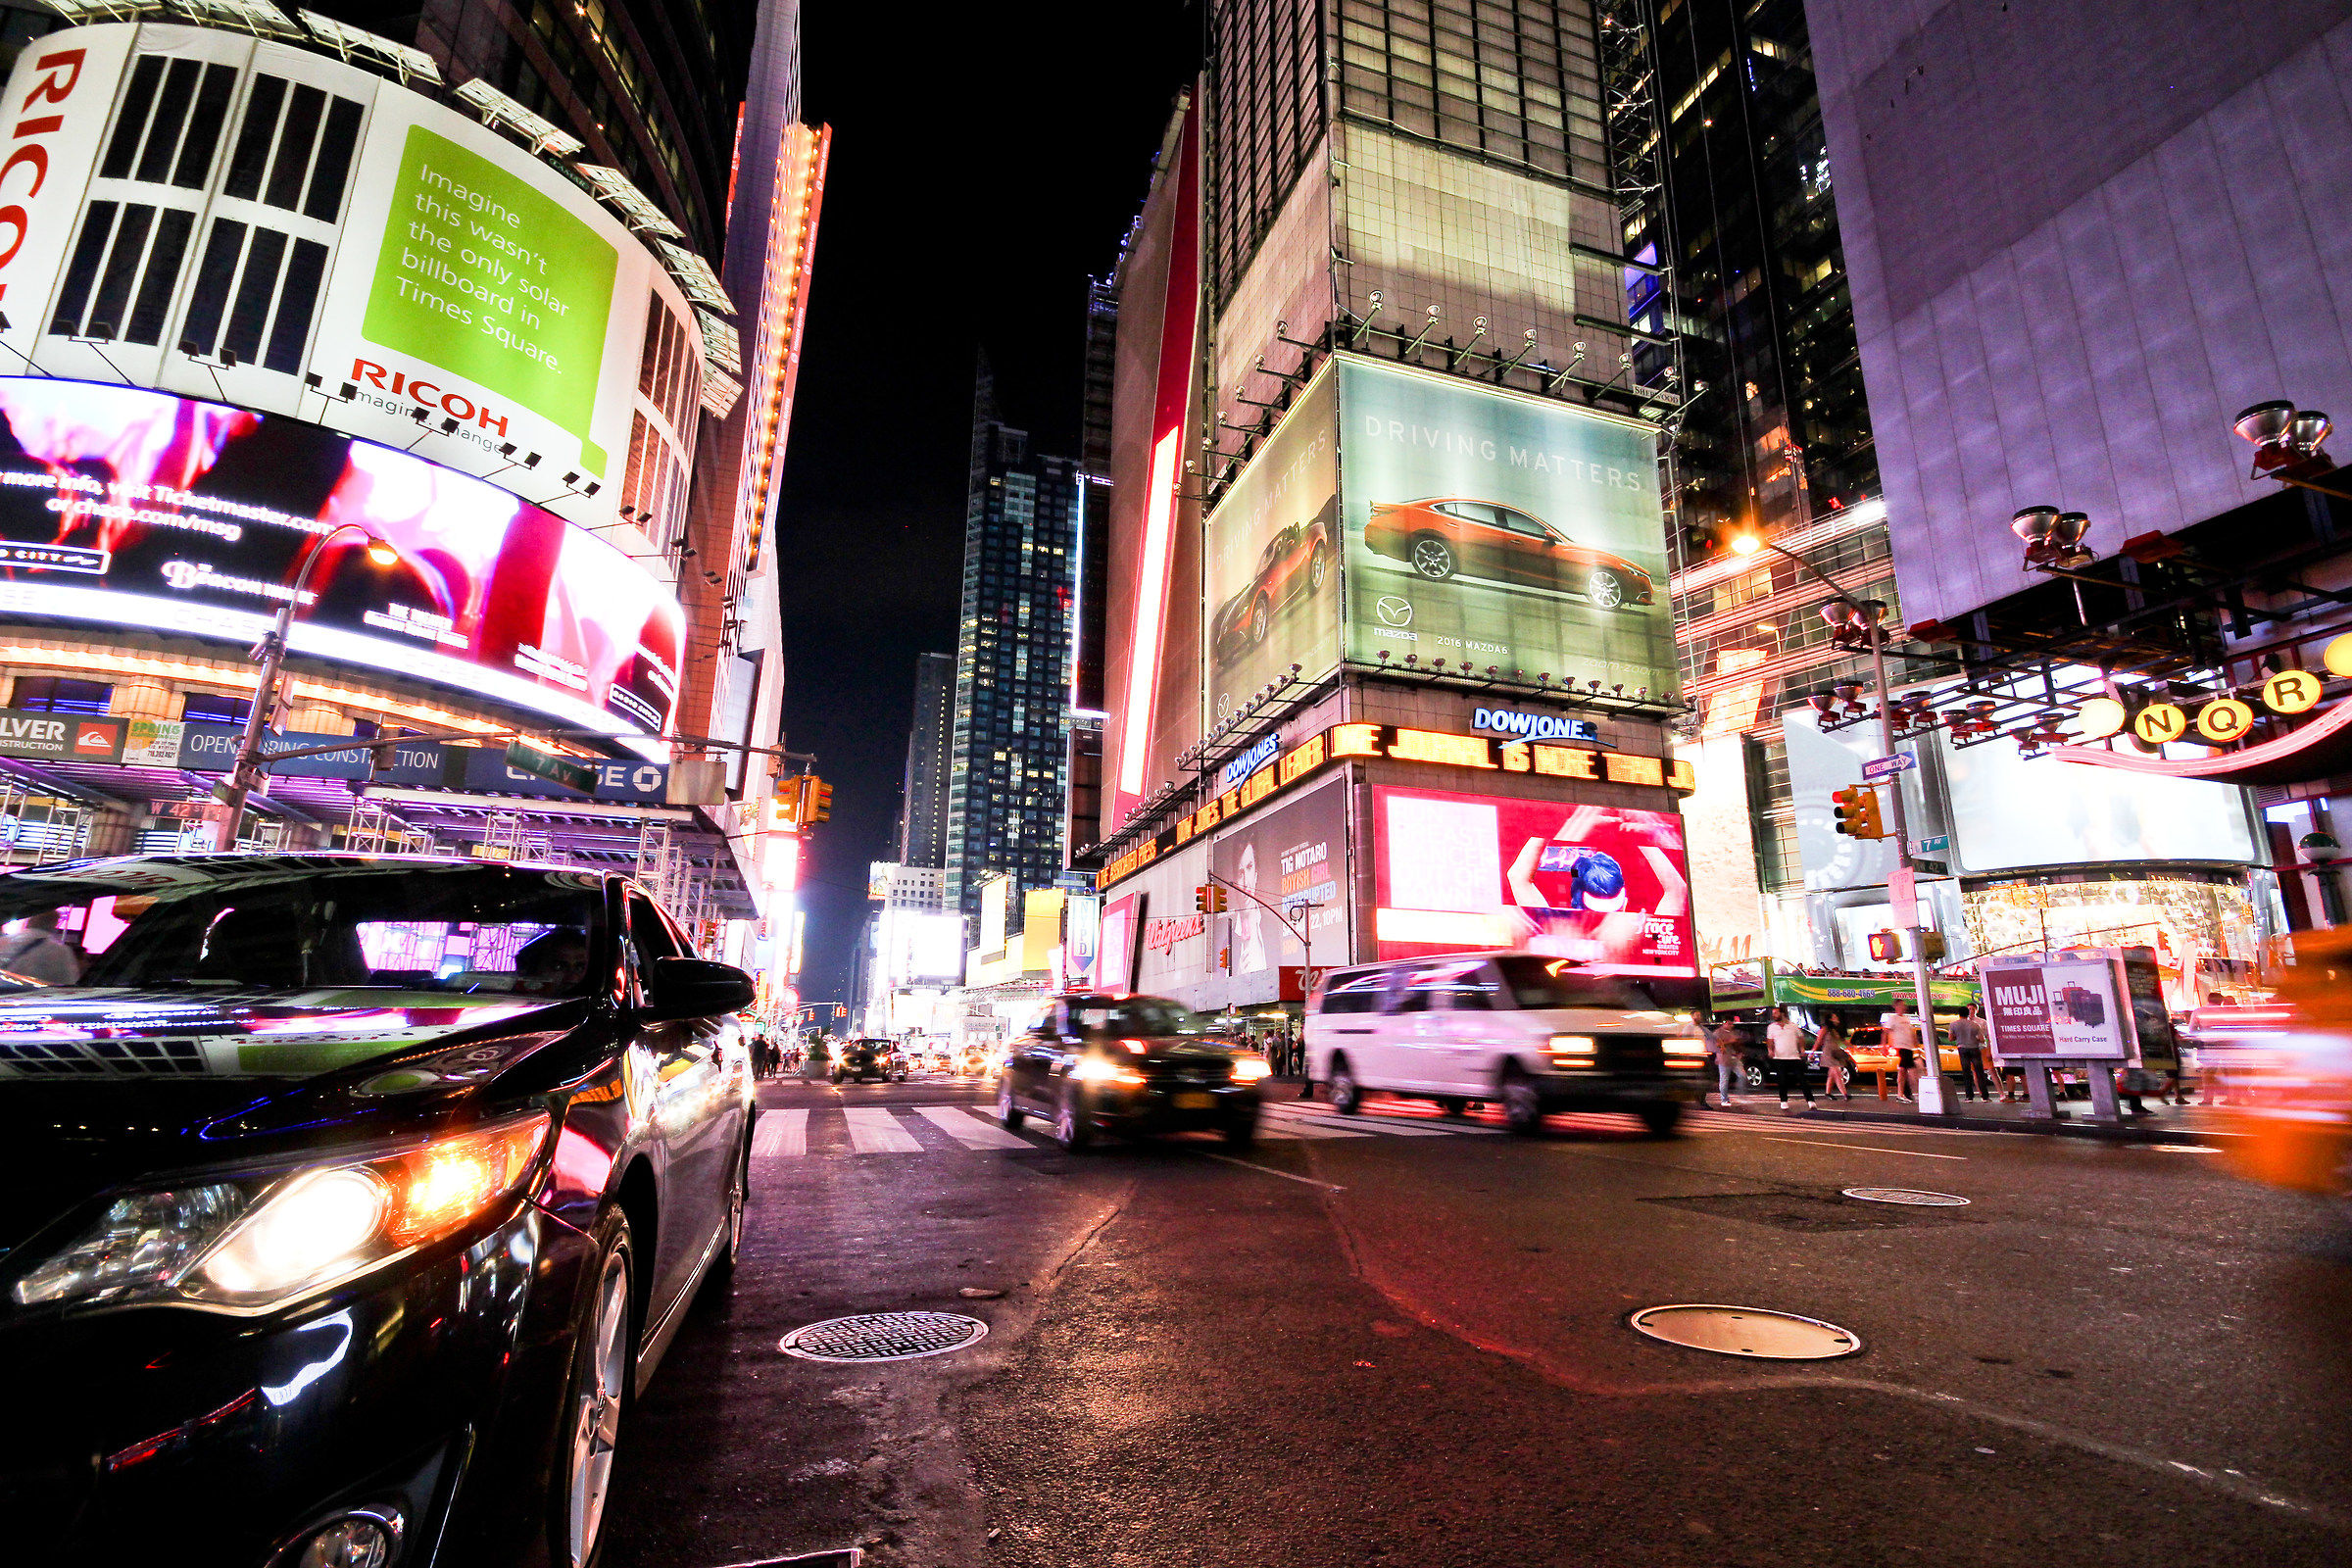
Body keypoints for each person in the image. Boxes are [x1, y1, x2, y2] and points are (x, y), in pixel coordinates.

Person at [0, 908, 80, 985]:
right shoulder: (60, 951)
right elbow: (67, 982)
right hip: (34, 993)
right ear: (54, 924)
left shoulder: (3, 941)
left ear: (30, 920)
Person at [1766, 1006, 1814, 1109]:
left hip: (1794, 1057)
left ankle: (1810, 1100)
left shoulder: (1793, 1026)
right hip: (1779, 1058)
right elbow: (1769, 1040)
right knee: (1782, 1080)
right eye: (1773, 1013)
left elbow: (1801, 1037)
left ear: (1782, 1013)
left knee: (1802, 1079)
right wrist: (1770, 1050)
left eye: (1776, 1013)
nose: (1774, 1015)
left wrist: (1802, 1048)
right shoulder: (1771, 1027)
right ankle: (1783, 1101)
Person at [1952, 1003, 1993, 1102]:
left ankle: (1969, 1096)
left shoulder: (1954, 1024)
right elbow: (1982, 1039)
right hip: (1975, 1049)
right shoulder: (1975, 1025)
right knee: (1979, 1073)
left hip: (1962, 1049)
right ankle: (1985, 1096)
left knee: (1966, 1073)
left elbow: (1950, 1038)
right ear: (1967, 1013)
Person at [1886, 998, 1921, 1102]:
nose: (1903, 1007)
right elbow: (1885, 1032)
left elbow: (1912, 1033)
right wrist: (1884, 1046)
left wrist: (1916, 1045)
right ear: (1896, 1007)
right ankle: (1904, 1093)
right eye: (1901, 1005)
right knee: (1909, 1070)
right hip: (1901, 1047)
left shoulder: (1906, 1019)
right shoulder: (1893, 1018)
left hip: (1908, 1047)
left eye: (1904, 1005)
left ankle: (1903, 1094)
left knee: (1904, 1070)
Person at [1707, 1014, 1745, 1107]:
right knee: (1724, 1079)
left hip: (1734, 1057)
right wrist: (1729, 1041)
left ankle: (1740, 1095)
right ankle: (1724, 1099)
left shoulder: (1733, 1032)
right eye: (1729, 1024)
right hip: (1724, 1059)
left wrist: (1740, 1052)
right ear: (1724, 1023)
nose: (1731, 1026)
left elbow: (1737, 1043)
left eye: (1732, 1024)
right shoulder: (1718, 1033)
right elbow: (1715, 1044)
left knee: (1743, 1075)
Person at [1818, 1013, 1855, 1102]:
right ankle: (1845, 1094)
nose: (1837, 1018)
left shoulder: (1835, 1030)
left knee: (1832, 1075)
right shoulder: (1825, 1029)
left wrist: (1854, 1047)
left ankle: (1828, 1093)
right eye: (1834, 1017)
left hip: (1835, 1053)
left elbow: (1843, 1041)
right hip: (1828, 1054)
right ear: (1830, 1019)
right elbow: (1818, 1040)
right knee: (1837, 1073)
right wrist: (1812, 1051)